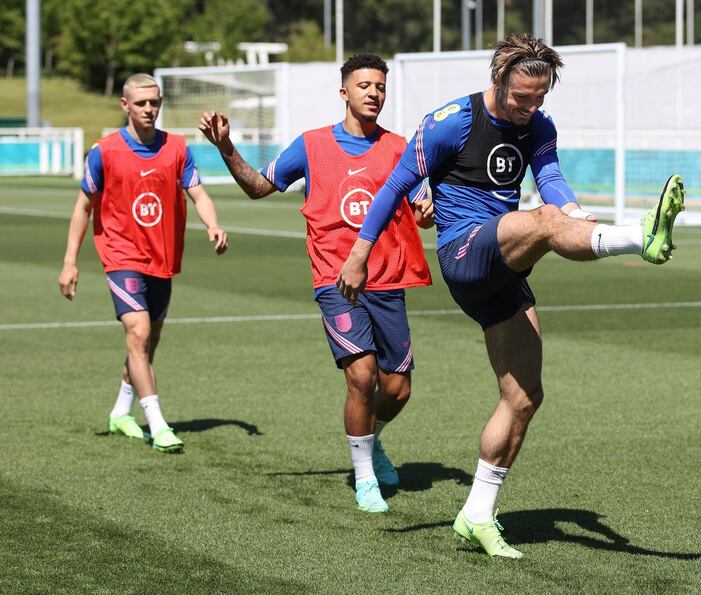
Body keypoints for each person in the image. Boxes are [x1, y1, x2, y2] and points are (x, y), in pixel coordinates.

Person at [337, 34, 685, 557]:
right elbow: (393, 186)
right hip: (463, 252)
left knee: (524, 396)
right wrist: (360, 252)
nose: (530, 108)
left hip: (504, 263)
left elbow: (551, 181)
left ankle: (477, 512)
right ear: (498, 80)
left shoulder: (539, 126)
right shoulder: (450, 120)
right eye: (522, 97)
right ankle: (640, 237)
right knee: (544, 223)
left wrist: (574, 213)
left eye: (540, 98)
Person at [198, 54, 434, 513]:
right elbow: (259, 187)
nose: (373, 93)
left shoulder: (400, 148)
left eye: (380, 87)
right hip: (335, 279)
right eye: (364, 85)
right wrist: (227, 149)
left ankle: (371, 441)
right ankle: (365, 479)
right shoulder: (312, 145)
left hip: (388, 279)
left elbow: (423, 208)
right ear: (344, 92)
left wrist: (426, 212)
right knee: (361, 378)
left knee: (398, 388)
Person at [59, 73, 228, 454]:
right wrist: (70, 262)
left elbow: (198, 193)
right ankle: (157, 422)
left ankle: (121, 411)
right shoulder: (104, 152)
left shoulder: (178, 148)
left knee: (147, 344)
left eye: (154, 102)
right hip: (121, 255)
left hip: (162, 258)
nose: (149, 109)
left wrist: (213, 224)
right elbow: (83, 207)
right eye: (141, 104)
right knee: (137, 334)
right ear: (125, 105)